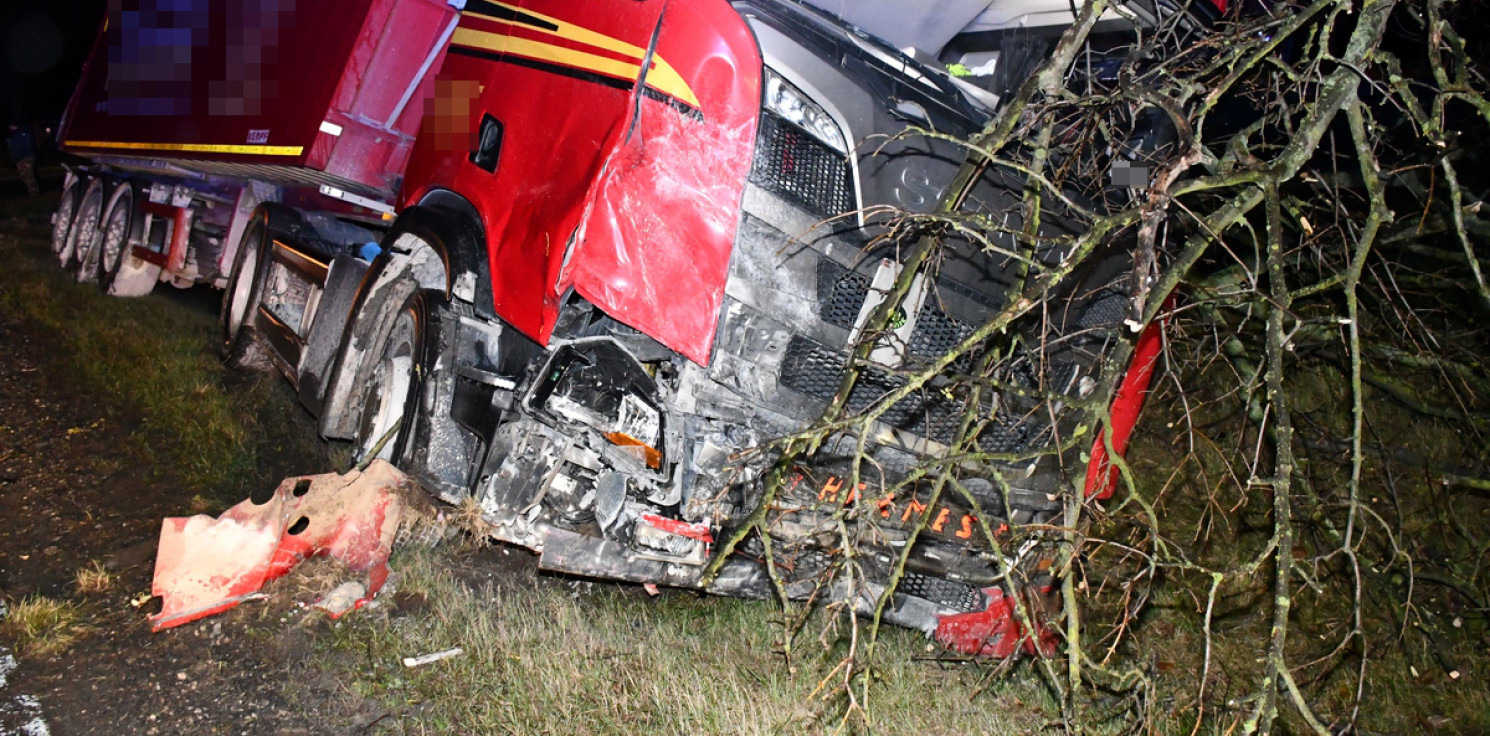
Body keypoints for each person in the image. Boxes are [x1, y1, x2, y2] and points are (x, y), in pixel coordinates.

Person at [7, 121, 40, 197]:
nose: (10, 128)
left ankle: (34, 194)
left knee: (28, 176)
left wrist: (17, 158)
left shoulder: (20, 134)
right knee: (25, 176)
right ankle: (33, 193)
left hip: (24, 158)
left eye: (11, 126)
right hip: (24, 158)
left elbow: (18, 148)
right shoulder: (21, 133)